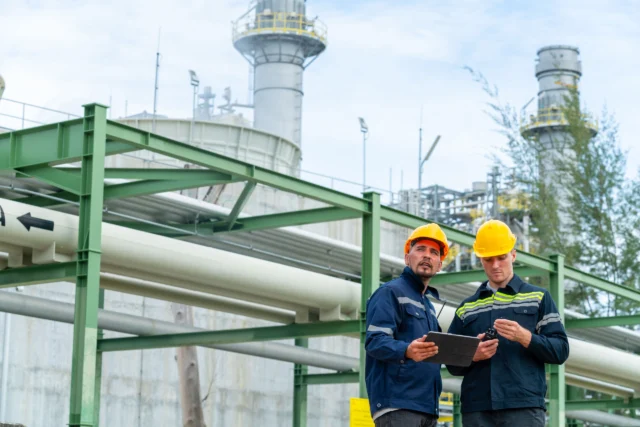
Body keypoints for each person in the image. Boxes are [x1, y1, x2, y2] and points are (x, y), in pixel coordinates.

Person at [447, 219, 570, 427]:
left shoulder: (539, 298)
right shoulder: (466, 308)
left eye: (501, 257)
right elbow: (451, 363)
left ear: (513, 255)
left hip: (522, 408)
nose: (495, 265)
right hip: (477, 410)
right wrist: (472, 355)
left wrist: (526, 337)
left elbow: (560, 350)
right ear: (480, 260)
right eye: (488, 259)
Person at [365, 223, 449, 427]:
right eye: (420, 249)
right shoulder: (390, 292)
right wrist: (407, 350)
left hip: (427, 407)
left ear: (439, 264)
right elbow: (375, 341)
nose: (427, 256)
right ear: (407, 257)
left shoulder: (427, 305)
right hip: (398, 405)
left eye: (433, 252)